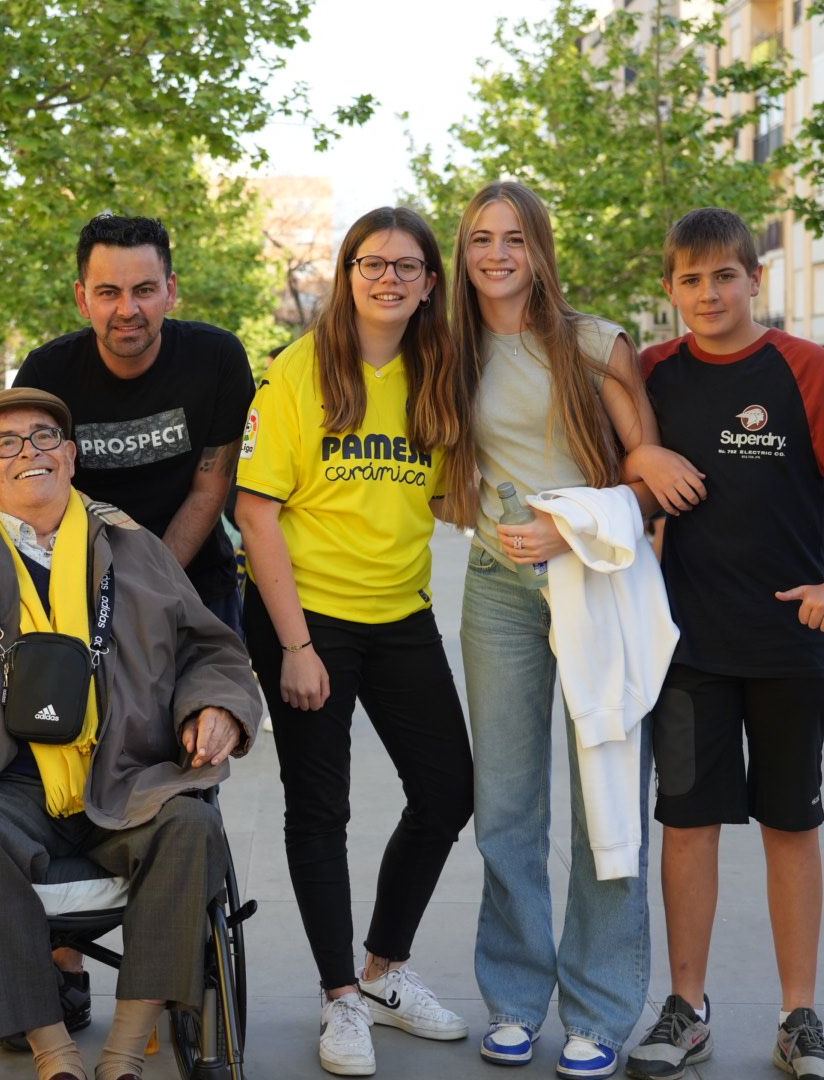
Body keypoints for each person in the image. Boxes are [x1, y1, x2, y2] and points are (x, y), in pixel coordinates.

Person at [0, 387, 261, 1080]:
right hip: (1, 786)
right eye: (5, 444)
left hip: (126, 779)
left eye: (43, 438)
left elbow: (210, 652)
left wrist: (214, 705)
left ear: (69, 456)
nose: (28, 453)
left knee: (191, 826)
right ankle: (54, 1053)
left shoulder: (135, 550)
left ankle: (123, 1054)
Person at [625, 208, 824, 1080]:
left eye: (724, 276)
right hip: (686, 646)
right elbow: (616, 460)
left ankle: (798, 1016)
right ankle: (688, 1008)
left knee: (791, 823)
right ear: (670, 289)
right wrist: (642, 460)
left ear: (756, 278)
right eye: (689, 279)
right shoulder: (651, 373)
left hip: (790, 643)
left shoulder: (806, 370)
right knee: (687, 826)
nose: (708, 294)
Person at [235, 206, 475, 1077]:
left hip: (400, 613)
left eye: (407, 267)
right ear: (348, 274)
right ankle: (341, 999)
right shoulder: (303, 370)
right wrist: (295, 647)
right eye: (371, 264)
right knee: (320, 808)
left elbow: (448, 499)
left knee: (448, 789)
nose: (388, 279)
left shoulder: (439, 372)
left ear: (429, 283)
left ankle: (384, 971)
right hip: (310, 619)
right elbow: (255, 510)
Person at [432, 182, 664, 1079]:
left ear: (540, 250)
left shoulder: (594, 344)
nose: (497, 254)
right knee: (508, 806)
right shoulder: (449, 350)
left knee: (607, 797)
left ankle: (601, 1011)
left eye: (515, 238)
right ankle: (517, 1001)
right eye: (481, 238)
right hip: (497, 588)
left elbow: (647, 484)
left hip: (594, 585)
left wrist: (571, 527)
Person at [13, 214, 255, 638]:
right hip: (78, 591)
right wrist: (98, 590)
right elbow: (25, 494)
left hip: (196, 585)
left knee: (215, 705)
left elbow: (209, 490)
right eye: (109, 292)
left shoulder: (217, 358)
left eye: (144, 290)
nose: (128, 310)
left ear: (171, 291)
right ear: (82, 298)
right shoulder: (47, 373)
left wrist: (144, 585)